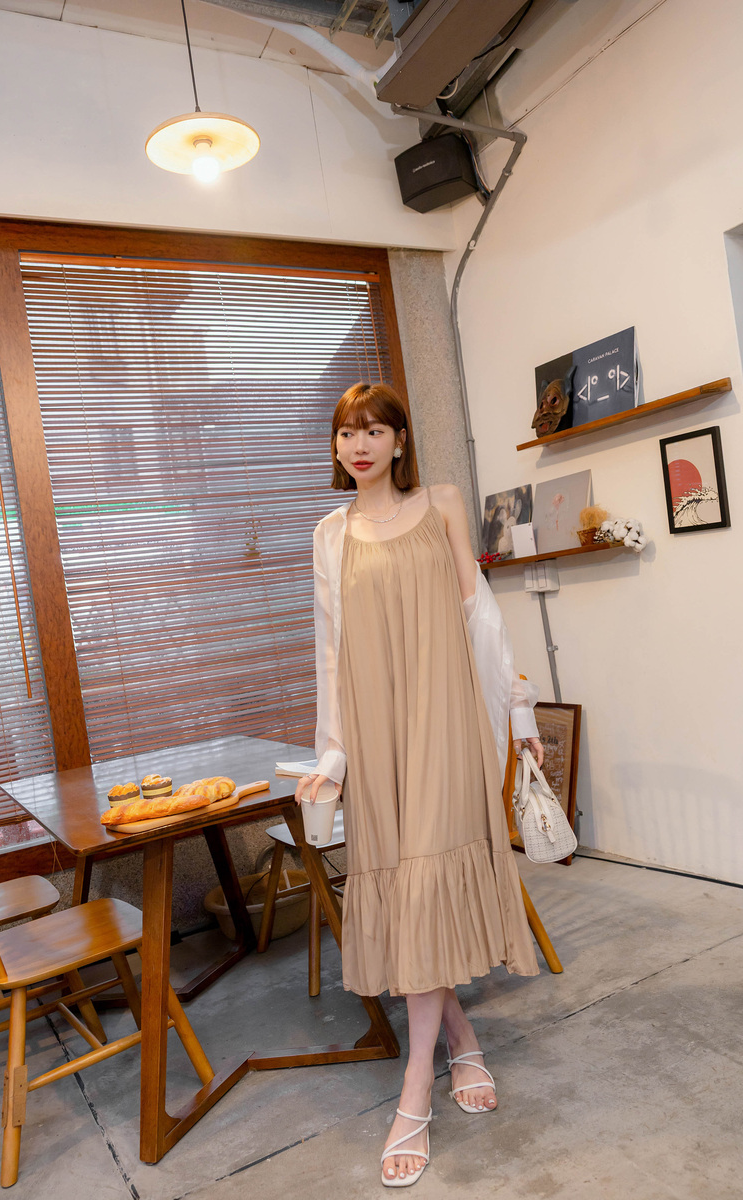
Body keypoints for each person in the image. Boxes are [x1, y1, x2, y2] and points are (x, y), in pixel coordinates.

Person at [296, 382, 544, 1188]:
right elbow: (331, 654)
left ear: (400, 440)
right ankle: (462, 1042)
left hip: (444, 720)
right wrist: (333, 757)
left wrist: (517, 709)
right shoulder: (330, 534)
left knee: (426, 885)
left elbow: (482, 618)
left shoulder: (440, 505)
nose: (360, 446)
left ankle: (413, 1090)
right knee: (407, 894)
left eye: (375, 431)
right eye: (347, 433)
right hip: (377, 732)